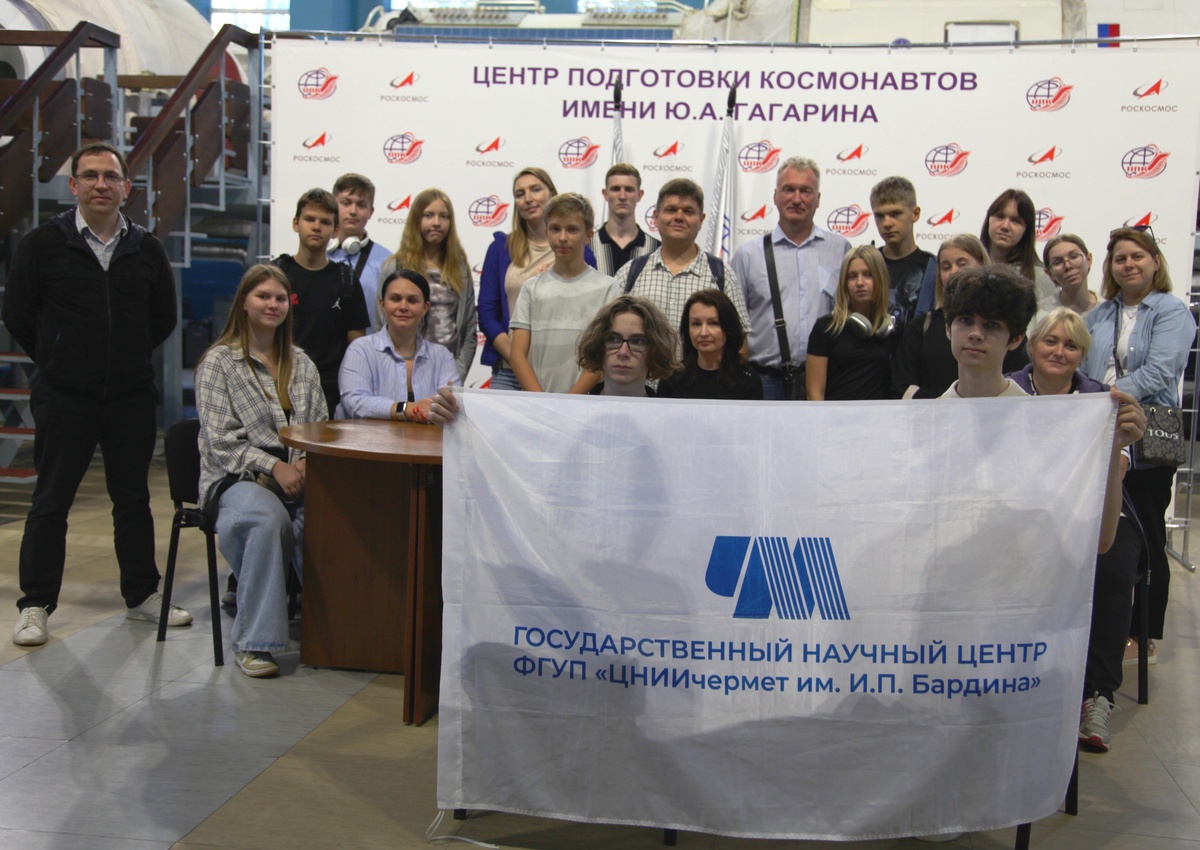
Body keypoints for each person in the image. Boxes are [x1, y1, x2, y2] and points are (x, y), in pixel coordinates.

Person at [5, 142, 191, 648]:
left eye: (110, 177)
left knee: (132, 500)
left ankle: (142, 595)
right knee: (50, 501)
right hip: (65, 396)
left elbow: (162, 318)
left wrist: (124, 359)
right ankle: (35, 604)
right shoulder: (43, 245)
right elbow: (18, 312)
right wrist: (58, 358)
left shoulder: (146, 249)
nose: (100, 185)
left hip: (129, 397)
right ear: (74, 186)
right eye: (89, 176)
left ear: (126, 188)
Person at [1008, 308, 1146, 752]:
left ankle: (1097, 695)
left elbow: (1118, 469)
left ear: (1082, 355)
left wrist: (1121, 444)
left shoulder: (1103, 399)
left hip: (1097, 510)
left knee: (1113, 568)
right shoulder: (1004, 390)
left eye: (1071, 345)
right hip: (1022, 513)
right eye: (1050, 341)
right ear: (1031, 345)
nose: (1059, 351)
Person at [196, 264, 328, 678]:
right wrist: (274, 466)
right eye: (263, 296)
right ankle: (255, 643)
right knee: (268, 519)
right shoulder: (219, 362)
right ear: (243, 302)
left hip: (298, 475)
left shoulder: (302, 363)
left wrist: (304, 463)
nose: (272, 304)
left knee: (335, 519)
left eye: (280, 298)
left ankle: (342, 636)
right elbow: (220, 442)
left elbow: (321, 426)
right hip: (236, 478)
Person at [1080, 227, 1197, 665]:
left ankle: (1142, 633)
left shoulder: (1172, 311)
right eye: (1120, 259)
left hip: (1147, 438)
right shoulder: (1099, 313)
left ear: (1155, 262)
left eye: (1137, 256)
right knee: (1103, 537)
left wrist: (1097, 397)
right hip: (1098, 435)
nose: (1128, 264)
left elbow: (1160, 372)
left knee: (1146, 535)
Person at [428, 295, 678, 423]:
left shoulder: (671, 420)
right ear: (598, 347)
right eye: (613, 339)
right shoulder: (569, 416)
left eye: (637, 341)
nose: (623, 352)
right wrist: (455, 418)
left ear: (654, 350)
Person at [731, 157, 851, 399]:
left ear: (818, 199)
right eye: (788, 189)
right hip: (764, 383)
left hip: (826, 383)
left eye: (806, 191)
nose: (796, 199)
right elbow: (733, 325)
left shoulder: (841, 250)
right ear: (775, 196)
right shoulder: (748, 254)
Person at [478, 167, 596, 391]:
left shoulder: (581, 251)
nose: (528, 198)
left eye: (535, 189)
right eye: (520, 193)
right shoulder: (500, 249)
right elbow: (487, 313)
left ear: (552, 193)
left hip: (560, 369)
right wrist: (518, 359)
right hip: (509, 370)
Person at [615, 177, 749, 347]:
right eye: (671, 210)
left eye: (688, 211)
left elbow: (740, 344)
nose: (679, 217)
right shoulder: (629, 274)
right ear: (656, 217)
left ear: (701, 220)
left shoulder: (722, 275)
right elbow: (609, 335)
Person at [892, 234, 1029, 399]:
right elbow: (901, 383)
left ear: (1016, 338)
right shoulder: (934, 413)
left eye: (992, 324)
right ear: (948, 328)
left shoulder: (1033, 411)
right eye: (966, 321)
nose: (975, 334)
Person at [508, 193, 620, 393]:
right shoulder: (531, 288)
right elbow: (517, 354)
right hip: (538, 402)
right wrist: (542, 401)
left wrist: (568, 401)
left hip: (586, 402)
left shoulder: (608, 288)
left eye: (572, 229)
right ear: (546, 232)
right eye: (555, 229)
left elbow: (604, 354)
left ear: (588, 235)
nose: (562, 238)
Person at [274, 188, 369, 414]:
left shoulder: (346, 280)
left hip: (329, 391)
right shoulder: (276, 274)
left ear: (335, 230)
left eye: (325, 222)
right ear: (296, 223)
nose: (316, 227)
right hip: (279, 383)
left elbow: (357, 348)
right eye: (309, 219)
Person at [380, 188, 477, 382]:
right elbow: (381, 324)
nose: (436, 222)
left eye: (444, 216)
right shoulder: (395, 266)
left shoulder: (459, 268)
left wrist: (456, 376)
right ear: (416, 219)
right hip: (402, 372)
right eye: (428, 215)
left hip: (448, 372)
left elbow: (469, 330)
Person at [338, 269, 460, 422]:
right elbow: (355, 402)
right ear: (382, 304)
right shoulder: (360, 350)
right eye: (395, 299)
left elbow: (454, 407)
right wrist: (406, 408)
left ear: (425, 308)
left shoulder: (442, 356)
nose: (403, 306)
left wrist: (447, 405)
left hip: (428, 438)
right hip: (367, 438)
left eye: (412, 300)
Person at [805, 245, 895, 401]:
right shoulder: (826, 328)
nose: (860, 282)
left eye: (868, 275)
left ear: (880, 278)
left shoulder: (887, 330)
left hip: (878, 415)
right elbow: (814, 394)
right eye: (852, 276)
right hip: (835, 415)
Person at [657, 289, 763, 400]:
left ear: (728, 327)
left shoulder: (748, 380)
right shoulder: (670, 380)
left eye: (713, 323)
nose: (703, 333)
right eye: (696, 324)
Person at [869, 176, 936, 330]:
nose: (887, 223)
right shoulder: (866, 265)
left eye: (895, 214)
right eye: (879, 216)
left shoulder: (934, 268)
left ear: (915, 214)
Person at [328, 173, 392, 330]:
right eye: (346, 203)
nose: (353, 211)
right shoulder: (317, 255)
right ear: (333, 207)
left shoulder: (387, 261)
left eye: (361, 205)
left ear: (371, 212)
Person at [979, 188, 1055, 301]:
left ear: (1026, 230)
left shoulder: (1041, 276)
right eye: (1000, 216)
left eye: (1015, 221)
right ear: (988, 219)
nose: (1005, 226)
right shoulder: (969, 269)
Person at [591, 162, 661, 276]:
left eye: (629, 189)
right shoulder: (587, 247)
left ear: (639, 195)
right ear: (605, 194)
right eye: (615, 189)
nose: (622, 196)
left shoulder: (657, 249)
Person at [1039, 233, 1099, 320]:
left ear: (1089, 259)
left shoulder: (1109, 309)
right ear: (1049, 273)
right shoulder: (1040, 313)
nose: (1067, 266)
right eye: (1057, 262)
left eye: (1074, 257)